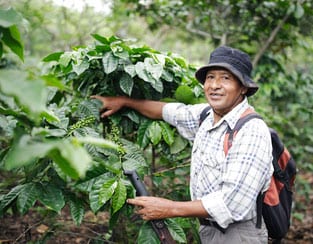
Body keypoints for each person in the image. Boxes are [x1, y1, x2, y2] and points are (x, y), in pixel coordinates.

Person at [91, 46, 273, 243]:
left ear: (243, 87)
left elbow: (232, 205)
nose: (215, 85)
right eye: (210, 77)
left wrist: (169, 208)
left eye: (226, 78)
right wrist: (124, 101)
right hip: (209, 229)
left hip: (238, 235)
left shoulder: (251, 131)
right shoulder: (206, 116)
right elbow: (168, 112)